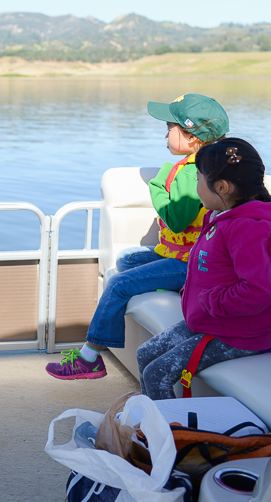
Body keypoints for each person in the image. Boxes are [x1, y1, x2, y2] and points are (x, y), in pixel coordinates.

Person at [46, 93, 230, 380]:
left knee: (119, 283)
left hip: (191, 263)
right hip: (187, 256)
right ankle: (168, 286)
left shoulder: (191, 171)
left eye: (170, 128)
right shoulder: (207, 164)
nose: (165, 134)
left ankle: (89, 357)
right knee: (126, 259)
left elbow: (177, 221)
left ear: (193, 137)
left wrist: (158, 183)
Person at [136, 138, 271, 399]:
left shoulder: (250, 228)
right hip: (211, 320)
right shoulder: (220, 217)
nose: (196, 187)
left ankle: (171, 437)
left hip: (239, 335)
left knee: (157, 374)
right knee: (144, 354)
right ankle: (154, 425)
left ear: (221, 187)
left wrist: (210, 301)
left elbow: (257, 291)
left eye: (199, 179)